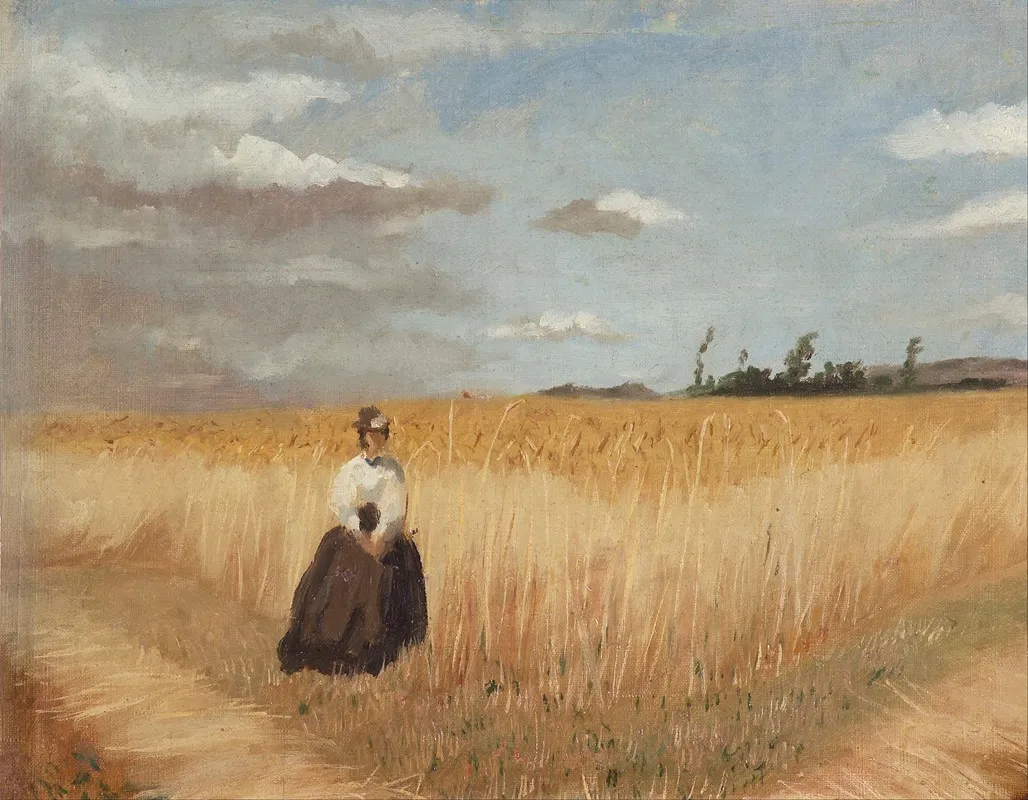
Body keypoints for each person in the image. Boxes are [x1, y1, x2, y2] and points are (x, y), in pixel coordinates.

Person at [277, 406, 428, 676]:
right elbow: (343, 506)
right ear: (363, 436)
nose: (378, 439)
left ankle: (379, 649)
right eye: (373, 434)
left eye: (383, 433)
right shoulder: (350, 470)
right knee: (338, 573)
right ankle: (333, 647)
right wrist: (361, 534)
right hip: (355, 535)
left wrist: (382, 537)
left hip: (386, 537)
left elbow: (396, 508)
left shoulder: (394, 470)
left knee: (392, 573)